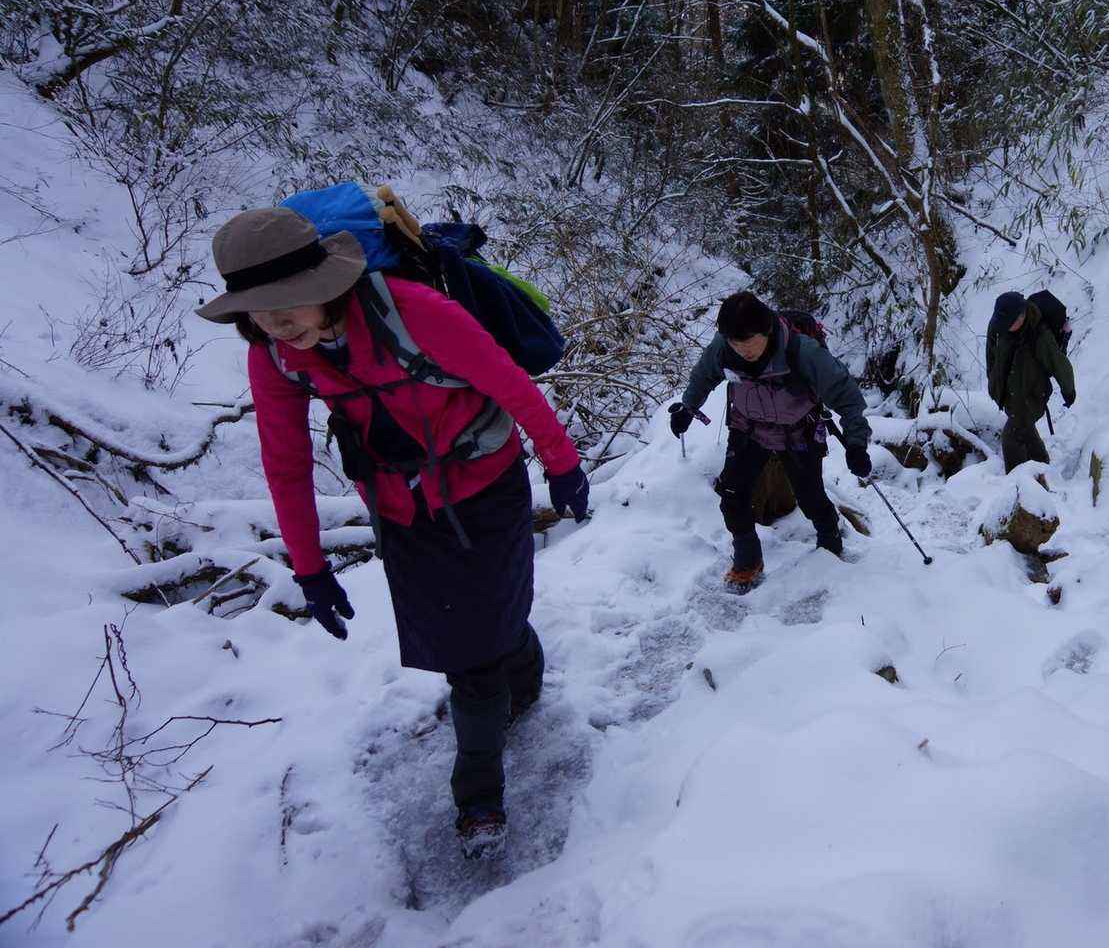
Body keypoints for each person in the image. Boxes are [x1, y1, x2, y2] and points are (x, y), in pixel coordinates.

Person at [196, 206, 590, 860]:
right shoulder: (277, 357)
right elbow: (286, 463)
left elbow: (510, 385)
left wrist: (562, 463)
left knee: (471, 654)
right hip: (398, 504)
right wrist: (309, 567)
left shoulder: (414, 311)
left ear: (325, 283)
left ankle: (478, 796)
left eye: (286, 303)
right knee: (469, 629)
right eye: (257, 312)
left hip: (484, 483)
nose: (274, 324)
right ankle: (513, 668)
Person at [669, 291, 872, 589]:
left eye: (749, 341)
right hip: (748, 428)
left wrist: (856, 444)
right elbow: (703, 376)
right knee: (732, 496)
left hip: (798, 431)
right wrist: (688, 408)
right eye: (735, 343)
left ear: (767, 330)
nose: (743, 350)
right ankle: (748, 561)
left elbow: (848, 397)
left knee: (811, 498)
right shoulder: (723, 349)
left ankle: (830, 543)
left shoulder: (803, 352)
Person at [986, 290, 1076, 473]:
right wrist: (994, 382)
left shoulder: (1039, 335)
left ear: (1022, 316)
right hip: (1008, 393)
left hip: (1031, 396)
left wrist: (1069, 392)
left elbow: (1059, 363)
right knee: (1024, 430)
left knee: (1011, 437)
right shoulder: (999, 325)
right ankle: (1041, 464)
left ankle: (1017, 482)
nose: (1003, 327)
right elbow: (991, 355)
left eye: (1008, 324)